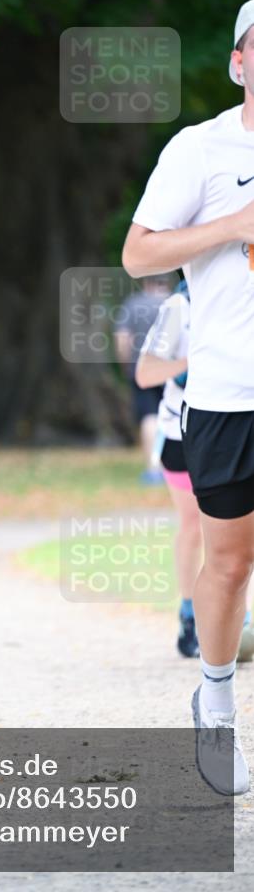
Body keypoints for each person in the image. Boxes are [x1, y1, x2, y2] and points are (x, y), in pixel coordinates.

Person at [122, 0, 254, 796]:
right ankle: (214, 700)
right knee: (229, 562)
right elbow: (139, 254)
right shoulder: (199, 148)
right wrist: (233, 224)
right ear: (238, 62)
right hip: (228, 389)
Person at [136, 282, 254, 662]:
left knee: (240, 539)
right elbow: (145, 373)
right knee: (195, 526)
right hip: (181, 431)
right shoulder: (178, 307)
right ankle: (190, 616)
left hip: (239, 426)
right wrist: (195, 363)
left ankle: (238, 615)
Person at [114, 277, 170, 484]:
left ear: (146, 281)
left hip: (142, 369)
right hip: (172, 370)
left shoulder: (133, 303)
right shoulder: (176, 302)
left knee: (149, 416)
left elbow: (122, 339)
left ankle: (154, 468)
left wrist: (126, 365)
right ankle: (179, 468)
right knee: (174, 415)